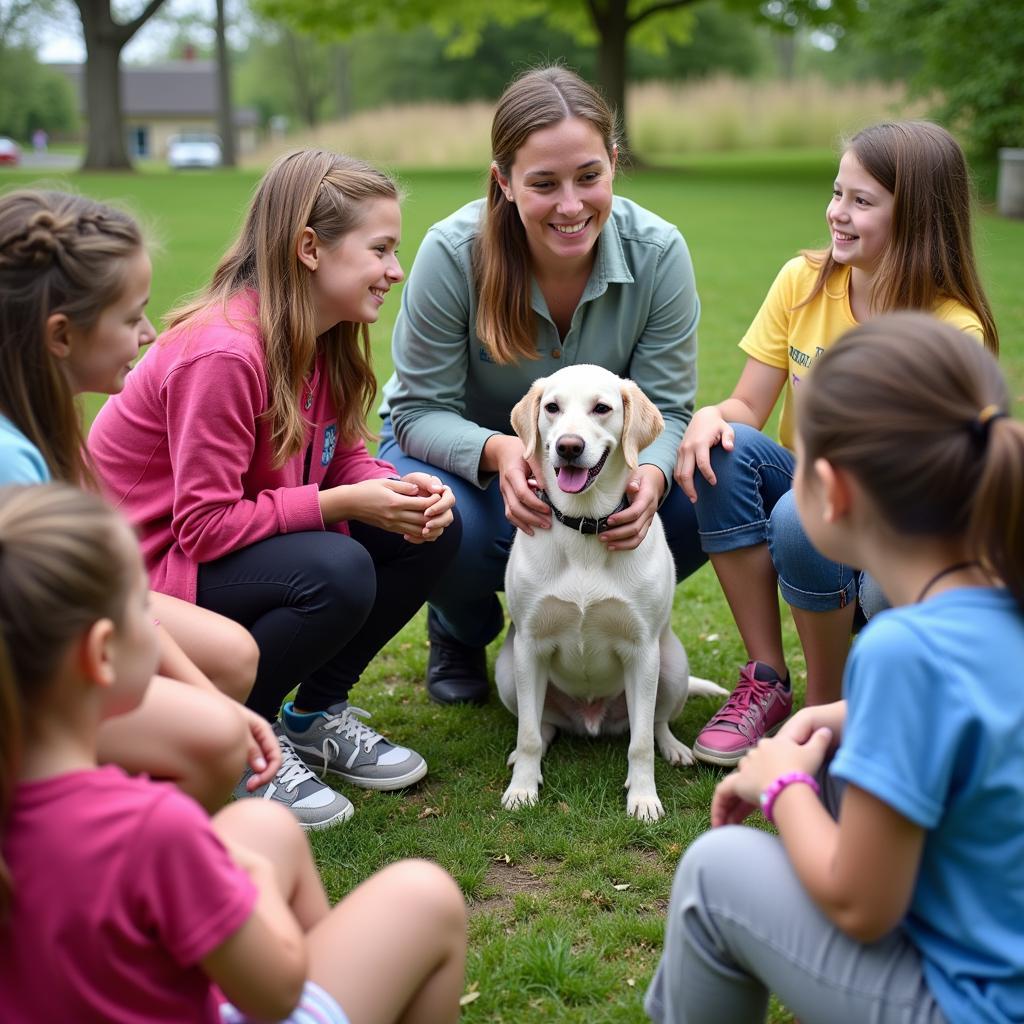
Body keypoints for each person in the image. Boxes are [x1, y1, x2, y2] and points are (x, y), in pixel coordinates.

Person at [646, 313, 1024, 1024]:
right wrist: (847, 714)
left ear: (832, 490)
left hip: (977, 1005)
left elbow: (860, 903)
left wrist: (779, 783)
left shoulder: (903, 651)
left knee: (713, 873)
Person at [0, 482, 468, 1024]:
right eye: (143, 609)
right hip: (250, 996)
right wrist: (255, 886)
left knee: (266, 825)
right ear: (102, 653)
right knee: (424, 894)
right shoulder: (157, 830)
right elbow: (276, 994)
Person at [88, 150, 460, 827]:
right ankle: (240, 743)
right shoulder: (225, 351)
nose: (395, 270)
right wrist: (340, 504)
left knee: (431, 526)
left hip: (213, 551)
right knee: (336, 568)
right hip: (146, 569)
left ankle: (316, 714)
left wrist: (396, 491)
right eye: (380, 249)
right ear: (311, 248)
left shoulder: (325, 335)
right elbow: (202, 526)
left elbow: (341, 457)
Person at [674, 120, 999, 766]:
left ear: (917, 218)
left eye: (861, 201)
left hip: (900, 532)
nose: (836, 213)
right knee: (727, 448)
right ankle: (767, 680)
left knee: (802, 513)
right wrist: (714, 414)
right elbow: (750, 405)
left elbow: (941, 487)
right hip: (817, 491)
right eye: (836, 192)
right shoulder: (803, 281)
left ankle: (825, 716)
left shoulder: (951, 330)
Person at [379, 65, 705, 705]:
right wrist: (503, 453)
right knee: (432, 515)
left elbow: (668, 406)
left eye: (589, 176)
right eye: (543, 183)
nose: (571, 205)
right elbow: (417, 409)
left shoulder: (660, 252)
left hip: (602, 466)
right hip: (465, 466)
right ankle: (461, 628)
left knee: (707, 491)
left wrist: (654, 480)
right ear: (503, 182)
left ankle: (622, 628)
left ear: (614, 161)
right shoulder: (452, 252)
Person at [0, 188, 271, 812]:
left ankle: (125, 801)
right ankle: (86, 822)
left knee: (229, 659)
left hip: (59, 637)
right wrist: (216, 716)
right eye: (131, 318)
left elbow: (111, 600)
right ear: (61, 336)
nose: (149, 335)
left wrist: (211, 694)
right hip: (27, 686)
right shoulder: (13, 464)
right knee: (211, 738)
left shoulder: (43, 414)